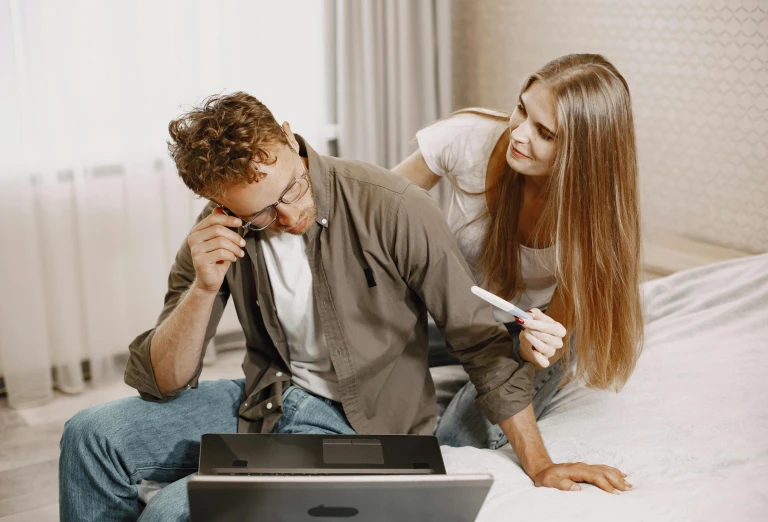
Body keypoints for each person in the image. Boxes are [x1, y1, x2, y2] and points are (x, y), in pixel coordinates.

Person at [58, 91, 629, 522]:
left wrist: (540, 464)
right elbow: (163, 382)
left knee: (177, 509)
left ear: (287, 135)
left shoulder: (392, 206)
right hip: (268, 400)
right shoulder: (216, 234)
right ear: (220, 202)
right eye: (261, 214)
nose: (288, 217)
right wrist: (204, 288)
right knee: (91, 434)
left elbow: (478, 342)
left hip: (364, 425)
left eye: (291, 188)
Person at [395, 53, 644, 475]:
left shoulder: (592, 223)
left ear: (581, 155)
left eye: (544, 133)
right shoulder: (469, 139)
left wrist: (539, 349)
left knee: (452, 443)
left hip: (526, 328)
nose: (519, 134)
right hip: (454, 315)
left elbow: (554, 337)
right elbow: (371, 204)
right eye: (522, 109)